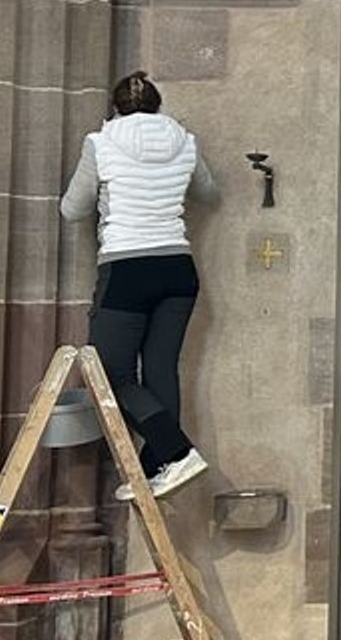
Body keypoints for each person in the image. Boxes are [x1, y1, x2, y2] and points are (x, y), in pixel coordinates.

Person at [60, 71, 221, 501]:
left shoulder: (102, 142)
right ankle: (159, 468)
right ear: (157, 105)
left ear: (116, 107)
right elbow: (209, 192)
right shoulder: (184, 141)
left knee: (108, 374)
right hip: (177, 267)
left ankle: (176, 450)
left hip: (127, 268)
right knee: (160, 369)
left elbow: (72, 209)